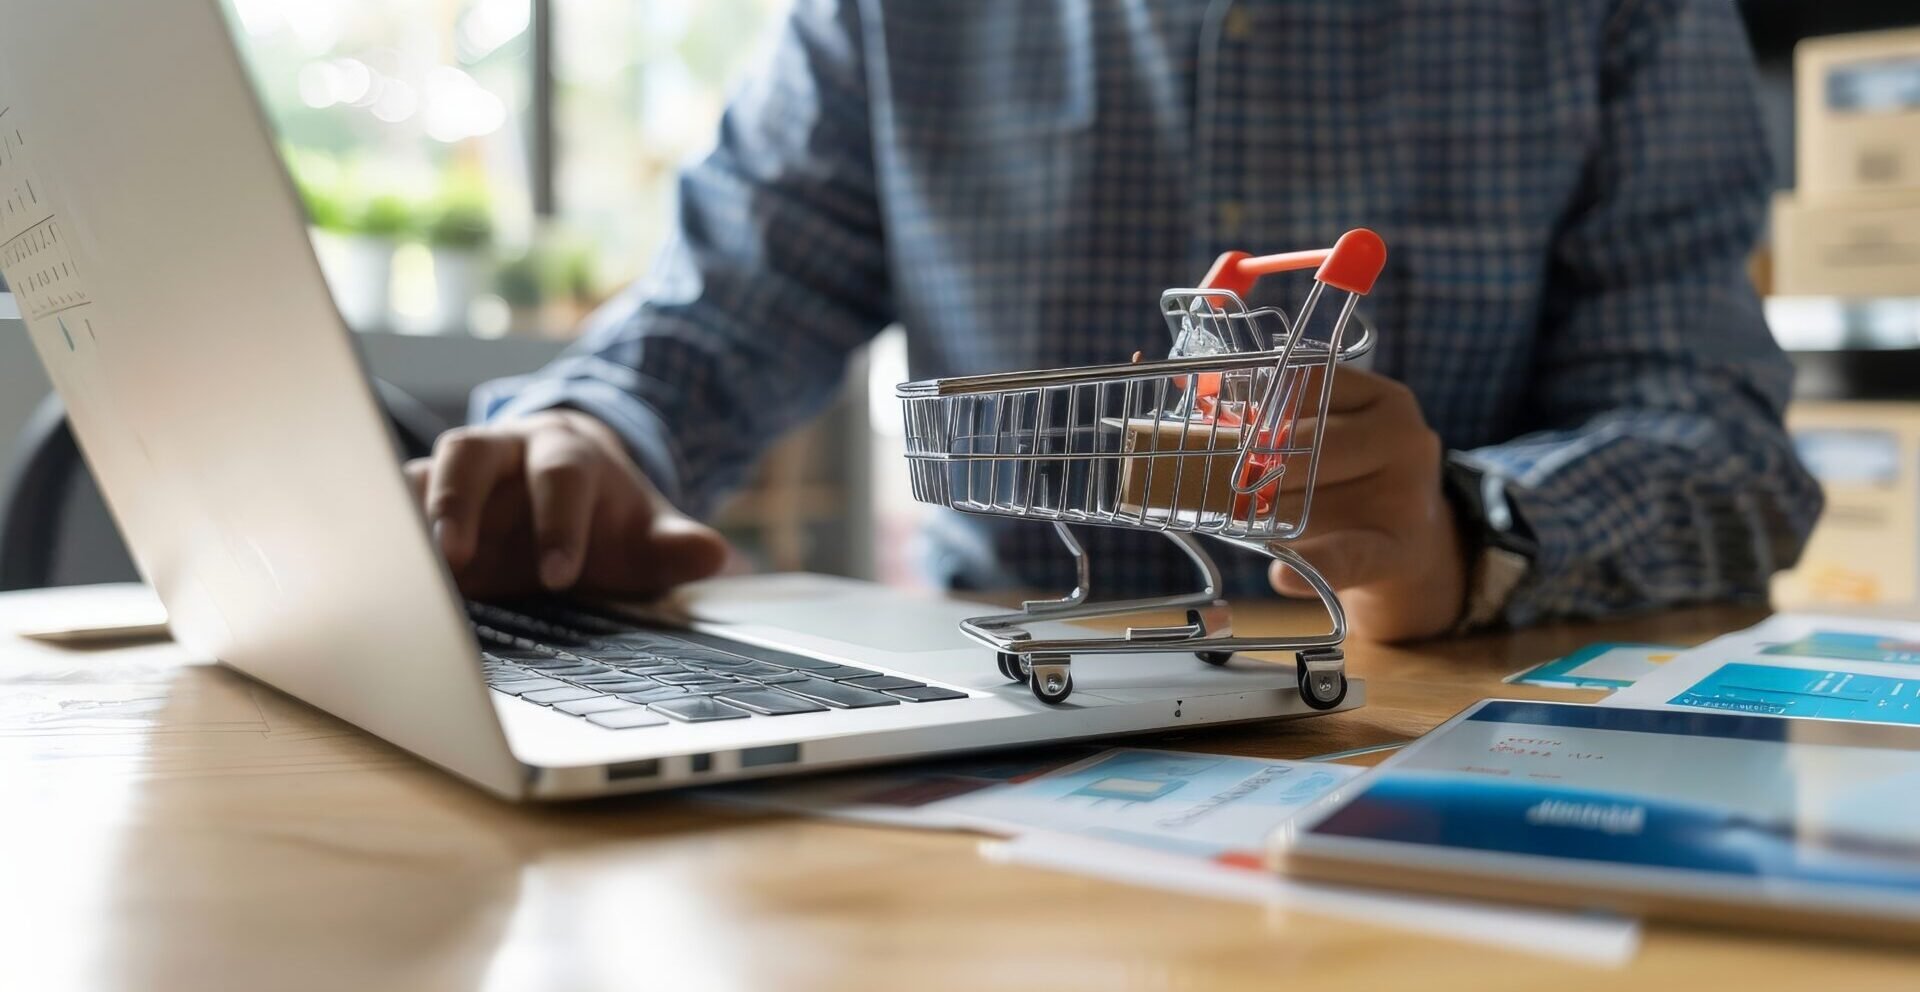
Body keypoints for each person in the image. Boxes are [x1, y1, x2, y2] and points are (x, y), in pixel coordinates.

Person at [407, 0, 1822, 642]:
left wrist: (1459, 532)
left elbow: (1726, 449)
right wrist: (581, 432)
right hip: (998, 741)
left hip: (1431, 738)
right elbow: (719, 311)